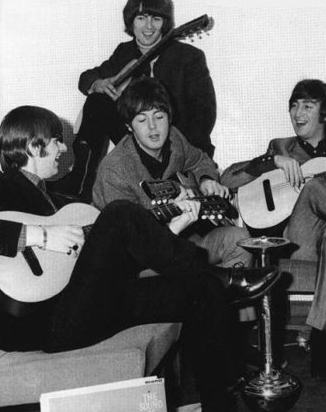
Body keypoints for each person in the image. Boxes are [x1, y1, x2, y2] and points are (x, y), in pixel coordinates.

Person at [0, 105, 288, 412]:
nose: (63, 149)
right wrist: (40, 236)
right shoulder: (0, 186)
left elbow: (116, 262)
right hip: (36, 325)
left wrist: (175, 225)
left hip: (77, 305)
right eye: (57, 141)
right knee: (120, 213)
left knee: (201, 291)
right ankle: (223, 281)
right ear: (34, 146)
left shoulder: (60, 201)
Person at [221, 79, 326, 379]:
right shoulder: (281, 147)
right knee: (316, 187)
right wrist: (272, 161)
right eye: (294, 105)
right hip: (297, 238)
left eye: (308, 105)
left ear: (325, 114)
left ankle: (321, 335)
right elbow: (229, 179)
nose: (298, 112)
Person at [54, 0, 216, 202]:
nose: (148, 27)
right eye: (141, 18)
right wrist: (98, 83)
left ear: (165, 23)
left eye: (156, 19)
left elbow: (203, 115)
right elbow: (86, 78)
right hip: (135, 140)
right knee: (97, 102)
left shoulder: (188, 57)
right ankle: (79, 183)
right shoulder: (124, 52)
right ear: (131, 21)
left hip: (174, 144)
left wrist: (176, 151)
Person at [93, 76, 252, 274]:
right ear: (129, 126)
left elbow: (199, 160)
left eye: (159, 117)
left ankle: (224, 302)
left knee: (240, 241)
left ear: (169, 117)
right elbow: (130, 241)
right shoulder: (114, 170)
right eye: (142, 120)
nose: (153, 127)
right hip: (139, 260)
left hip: (186, 240)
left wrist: (206, 180)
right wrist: (172, 217)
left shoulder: (174, 139)